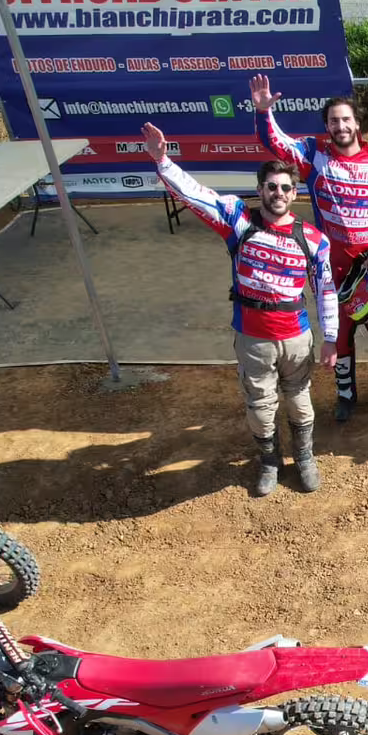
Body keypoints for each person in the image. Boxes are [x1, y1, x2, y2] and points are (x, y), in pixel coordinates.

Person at [143, 122, 336, 497]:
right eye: (271, 187)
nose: (278, 193)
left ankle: (305, 458)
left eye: (285, 188)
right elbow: (195, 194)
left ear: (294, 193)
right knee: (260, 408)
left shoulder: (313, 238)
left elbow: (326, 290)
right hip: (252, 337)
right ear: (259, 189)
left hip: (296, 337)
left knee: (300, 403)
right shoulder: (238, 220)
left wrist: (331, 337)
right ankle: (269, 462)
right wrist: (163, 161)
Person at [251, 76, 368, 422]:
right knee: (340, 333)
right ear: (327, 126)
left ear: (357, 123)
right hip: (330, 267)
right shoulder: (313, 154)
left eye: (346, 119)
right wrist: (263, 112)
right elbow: (275, 143)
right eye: (334, 121)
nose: (340, 126)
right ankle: (345, 394)